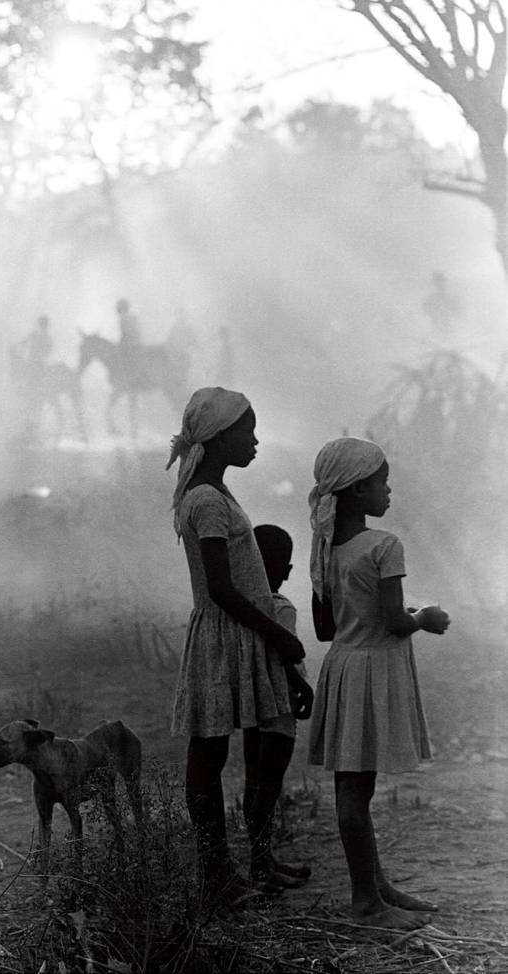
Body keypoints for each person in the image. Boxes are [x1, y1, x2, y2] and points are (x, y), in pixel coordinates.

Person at [166, 387, 313, 909]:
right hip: (227, 632)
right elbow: (222, 588)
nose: (254, 441)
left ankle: (226, 872)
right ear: (220, 436)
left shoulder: (214, 494)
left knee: (214, 751)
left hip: (237, 633)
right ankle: (216, 875)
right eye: (247, 431)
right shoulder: (206, 499)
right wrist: (277, 633)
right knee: (208, 754)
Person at [307, 436, 450, 931]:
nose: (388, 491)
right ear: (355, 491)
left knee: (353, 788)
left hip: (344, 667)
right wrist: (425, 617)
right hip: (373, 671)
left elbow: (325, 628)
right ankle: (366, 902)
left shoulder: (325, 550)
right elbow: (393, 621)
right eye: (381, 482)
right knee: (355, 792)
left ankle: (375, 886)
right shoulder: (384, 546)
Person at [245, 523, 313, 888]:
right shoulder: (281, 608)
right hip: (279, 707)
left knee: (255, 783)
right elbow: (285, 658)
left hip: (253, 707)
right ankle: (260, 866)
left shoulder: (247, 607)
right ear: (285, 569)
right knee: (269, 786)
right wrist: (303, 688)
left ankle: (262, 860)